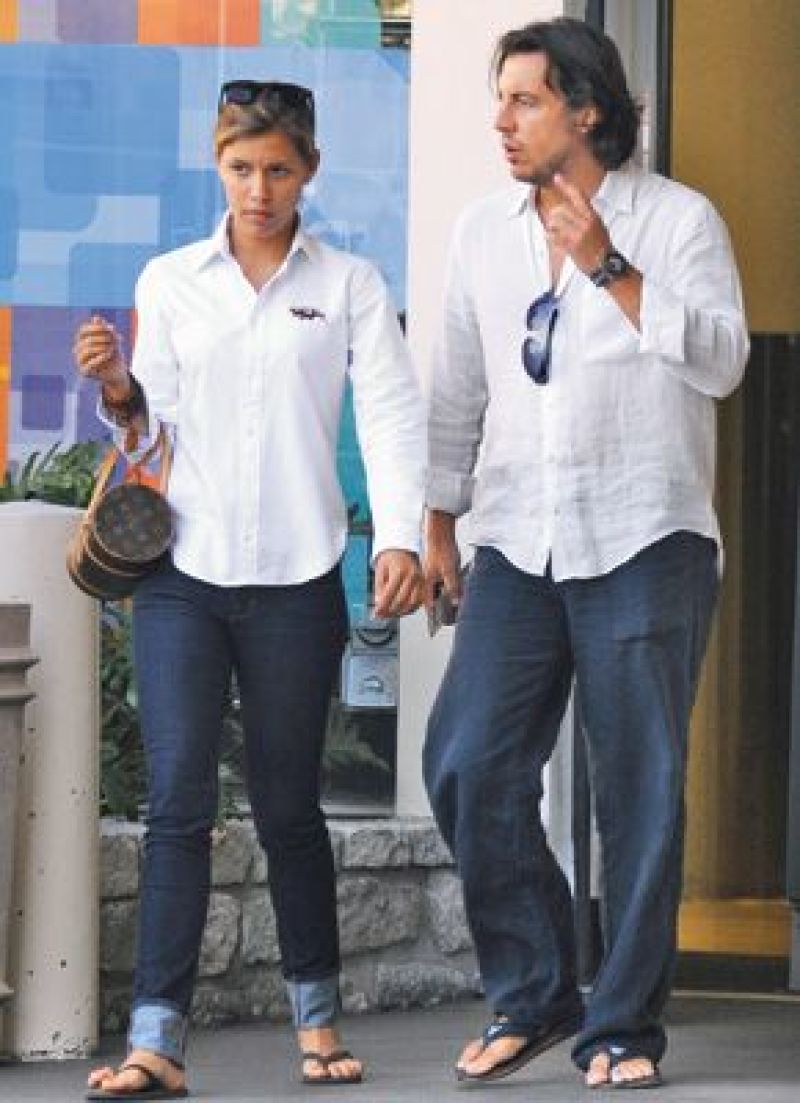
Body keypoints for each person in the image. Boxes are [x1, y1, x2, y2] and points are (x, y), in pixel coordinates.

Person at [74, 78, 425, 1099]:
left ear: (308, 169)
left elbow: (391, 413)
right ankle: (155, 1040)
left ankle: (317, 1018)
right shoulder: (171, 280)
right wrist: (118, 391)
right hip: (182, 575)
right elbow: (152, 438)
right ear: (217, 166)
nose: (258, 190)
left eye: (277, 169)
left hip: (297, 578)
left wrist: (400, 536)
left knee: (287, 807)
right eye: (240, 168)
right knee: (178, 804)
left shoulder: (350, 283)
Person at [422, 17, 748, 1091]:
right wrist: (438, 519)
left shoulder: (678, 219)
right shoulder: (481, 232)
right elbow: (459, 384)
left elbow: (721, 361)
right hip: (518, 535)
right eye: (500, 98)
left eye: (525, 100)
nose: (501, 121)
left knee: (637, 791)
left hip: (644, 534)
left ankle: (622, 1025)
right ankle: (535, 989)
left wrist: (606, 263)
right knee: (466, 760)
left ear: (587, 109)